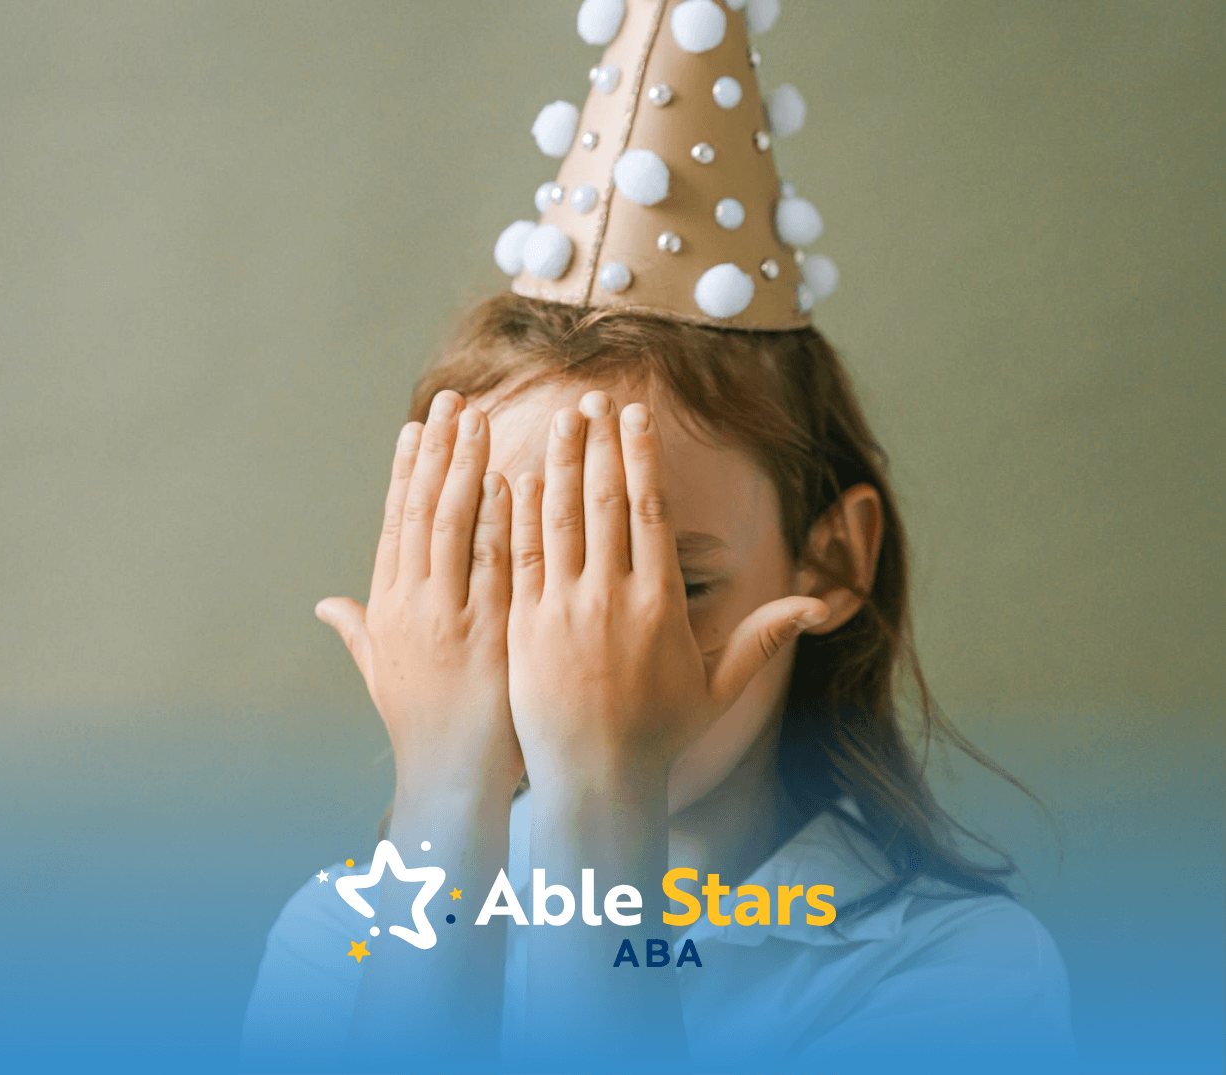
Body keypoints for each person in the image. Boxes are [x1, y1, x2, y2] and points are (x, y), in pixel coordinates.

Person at [242, 4, 1073, 1073]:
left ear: (831, 558)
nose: (570, 662)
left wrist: (600, 794)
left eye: (661, 584)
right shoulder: (344, 941)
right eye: (499, 588)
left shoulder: (953, 972)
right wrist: (448, 796)